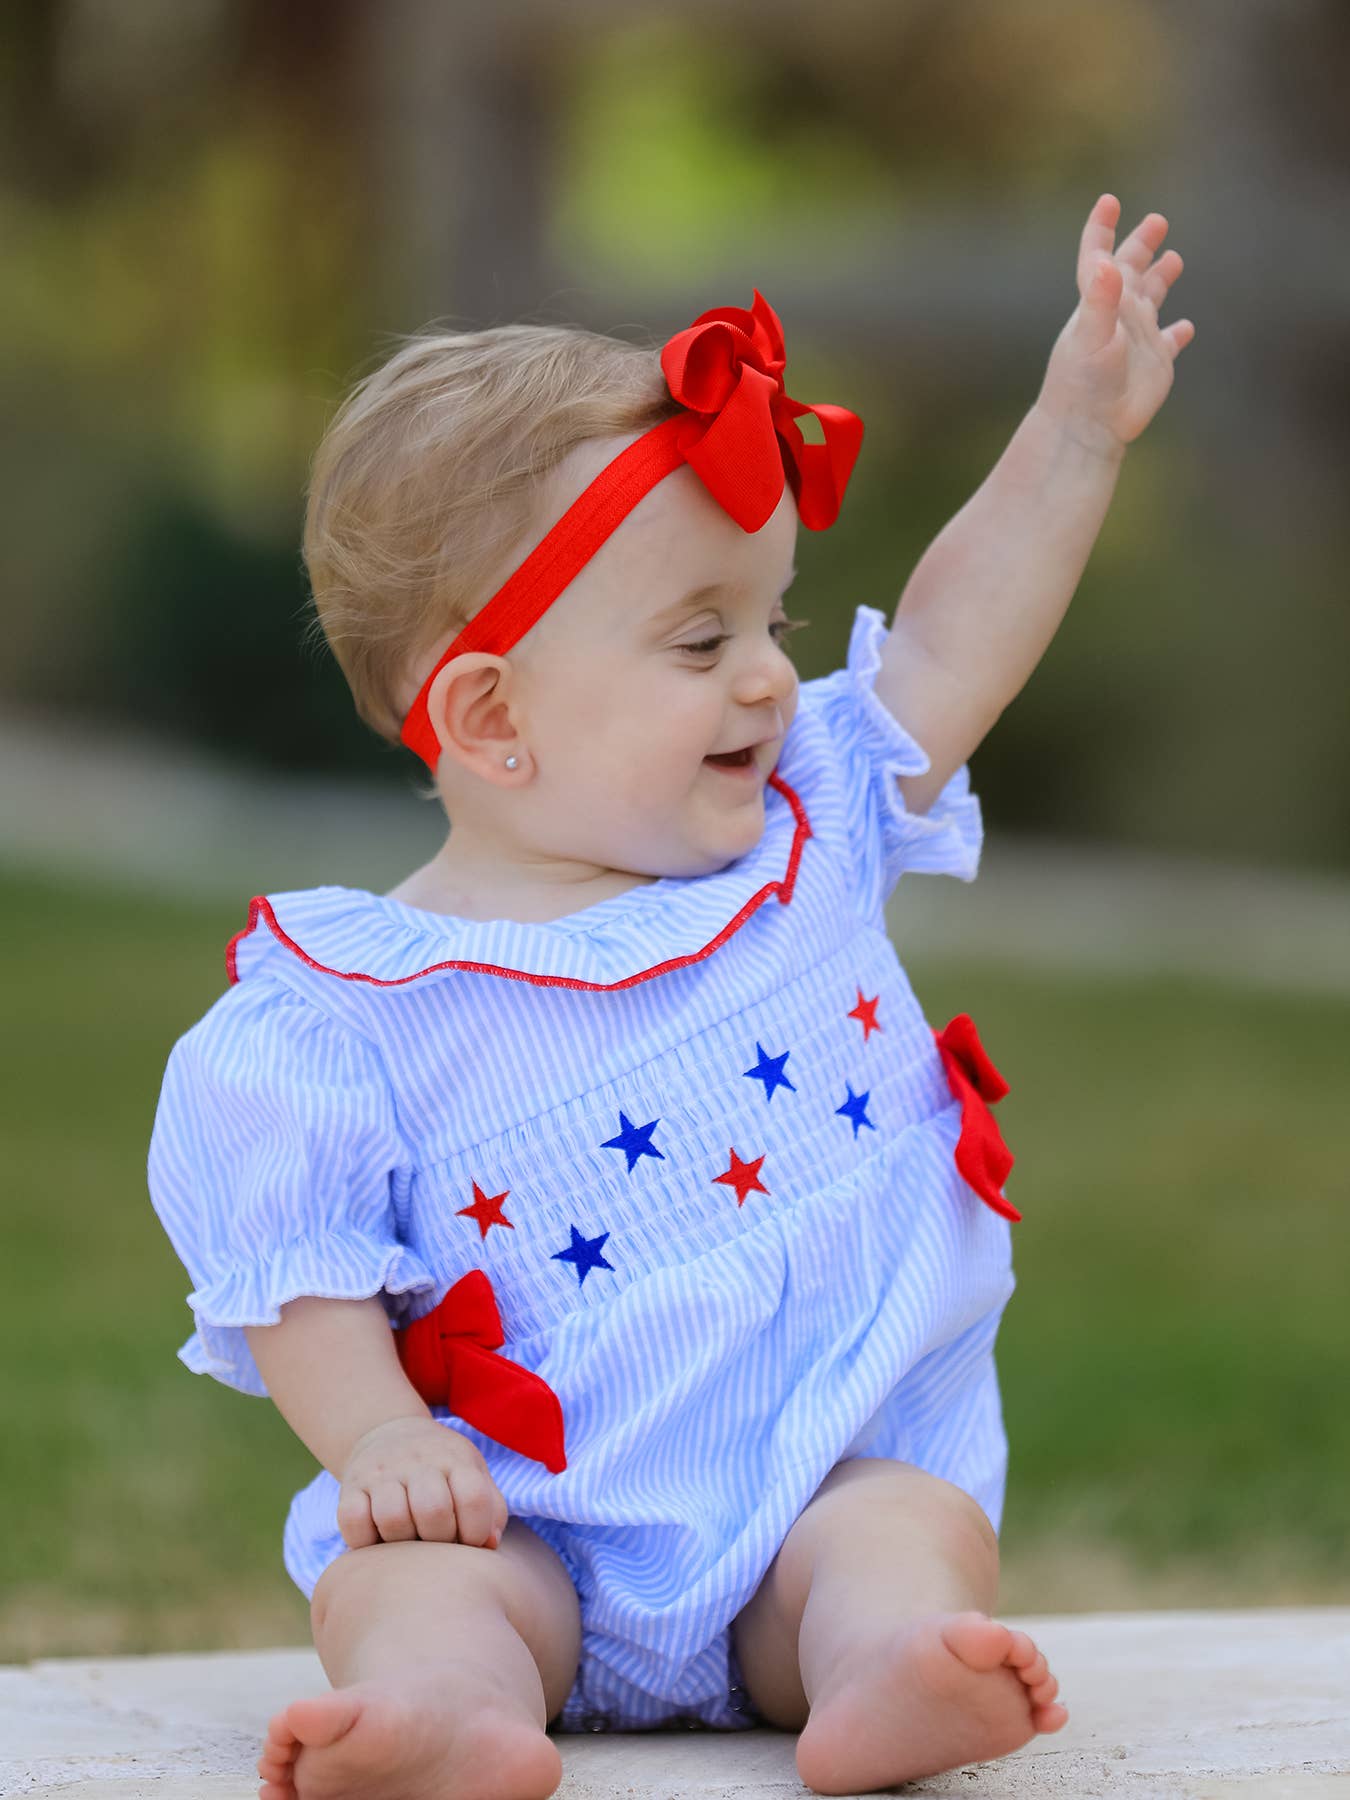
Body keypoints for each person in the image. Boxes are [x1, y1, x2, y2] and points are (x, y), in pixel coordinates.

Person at [148, 193, 1191, 1800]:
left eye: (767, 617)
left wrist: (1073, 434)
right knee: (409, 1588)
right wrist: (376, 1443)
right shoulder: (348, 1013)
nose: (770, 675)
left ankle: (882, 1672)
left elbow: (948, 643)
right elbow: (293, 1276)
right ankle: (448, 1712)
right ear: (491, 717)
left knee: (903, 1535)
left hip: (811, 1494)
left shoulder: (810, 827)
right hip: (527, 1530)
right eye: (699, 638)